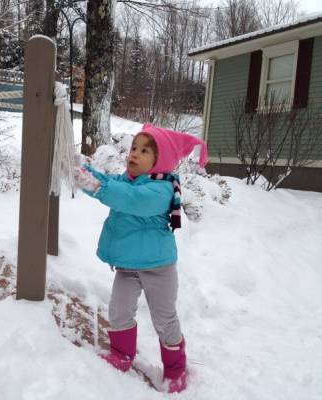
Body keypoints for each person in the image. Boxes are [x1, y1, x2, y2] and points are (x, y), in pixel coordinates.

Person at [73, 123, 208, 393]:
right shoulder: (129, 180)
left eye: (145, 150)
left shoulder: (161, 190)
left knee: (164, 319)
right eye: (134, 147)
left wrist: (97, 187)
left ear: (161, 160)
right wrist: (83, 171)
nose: (134, 153)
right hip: (128, 266)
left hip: (158, 268)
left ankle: (175, 370)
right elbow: (110, 184)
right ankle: (122, 354)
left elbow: (129, 199)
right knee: (119, 309)